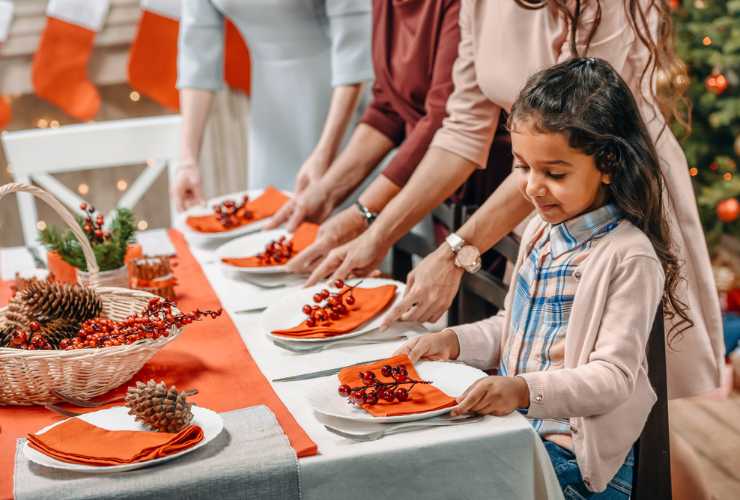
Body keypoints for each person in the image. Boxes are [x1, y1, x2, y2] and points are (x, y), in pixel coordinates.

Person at [304, 0, 723, 402]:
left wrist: (456, 251)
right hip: (542, 192)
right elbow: (462, 130)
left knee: (632, 406)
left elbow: (580, 131)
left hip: (611, 194)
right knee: (548, 371)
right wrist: (376, 233)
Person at [396, 57, 689, 497]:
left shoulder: (628, 257)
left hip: (574, 461)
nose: (533, 187)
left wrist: (521, 390)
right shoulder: (539, 231)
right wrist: (454, 341)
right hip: (519, 431)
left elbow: (611, 379)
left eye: (554, 173)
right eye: (523, 167)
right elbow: (512, 329)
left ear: (607, 163)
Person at [263, 0, 464, 274]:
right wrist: (327, 190)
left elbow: (442, 119)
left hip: (477, 178)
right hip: (433, 182)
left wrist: (363, 214)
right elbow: (388, 108)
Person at [172, 0, 373, 211]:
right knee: (269, 225)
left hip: (340, 105)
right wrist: (187, 161)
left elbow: (354, 54)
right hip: (269, 116)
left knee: (341, 225)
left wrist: (325, 153)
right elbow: (196, 57)